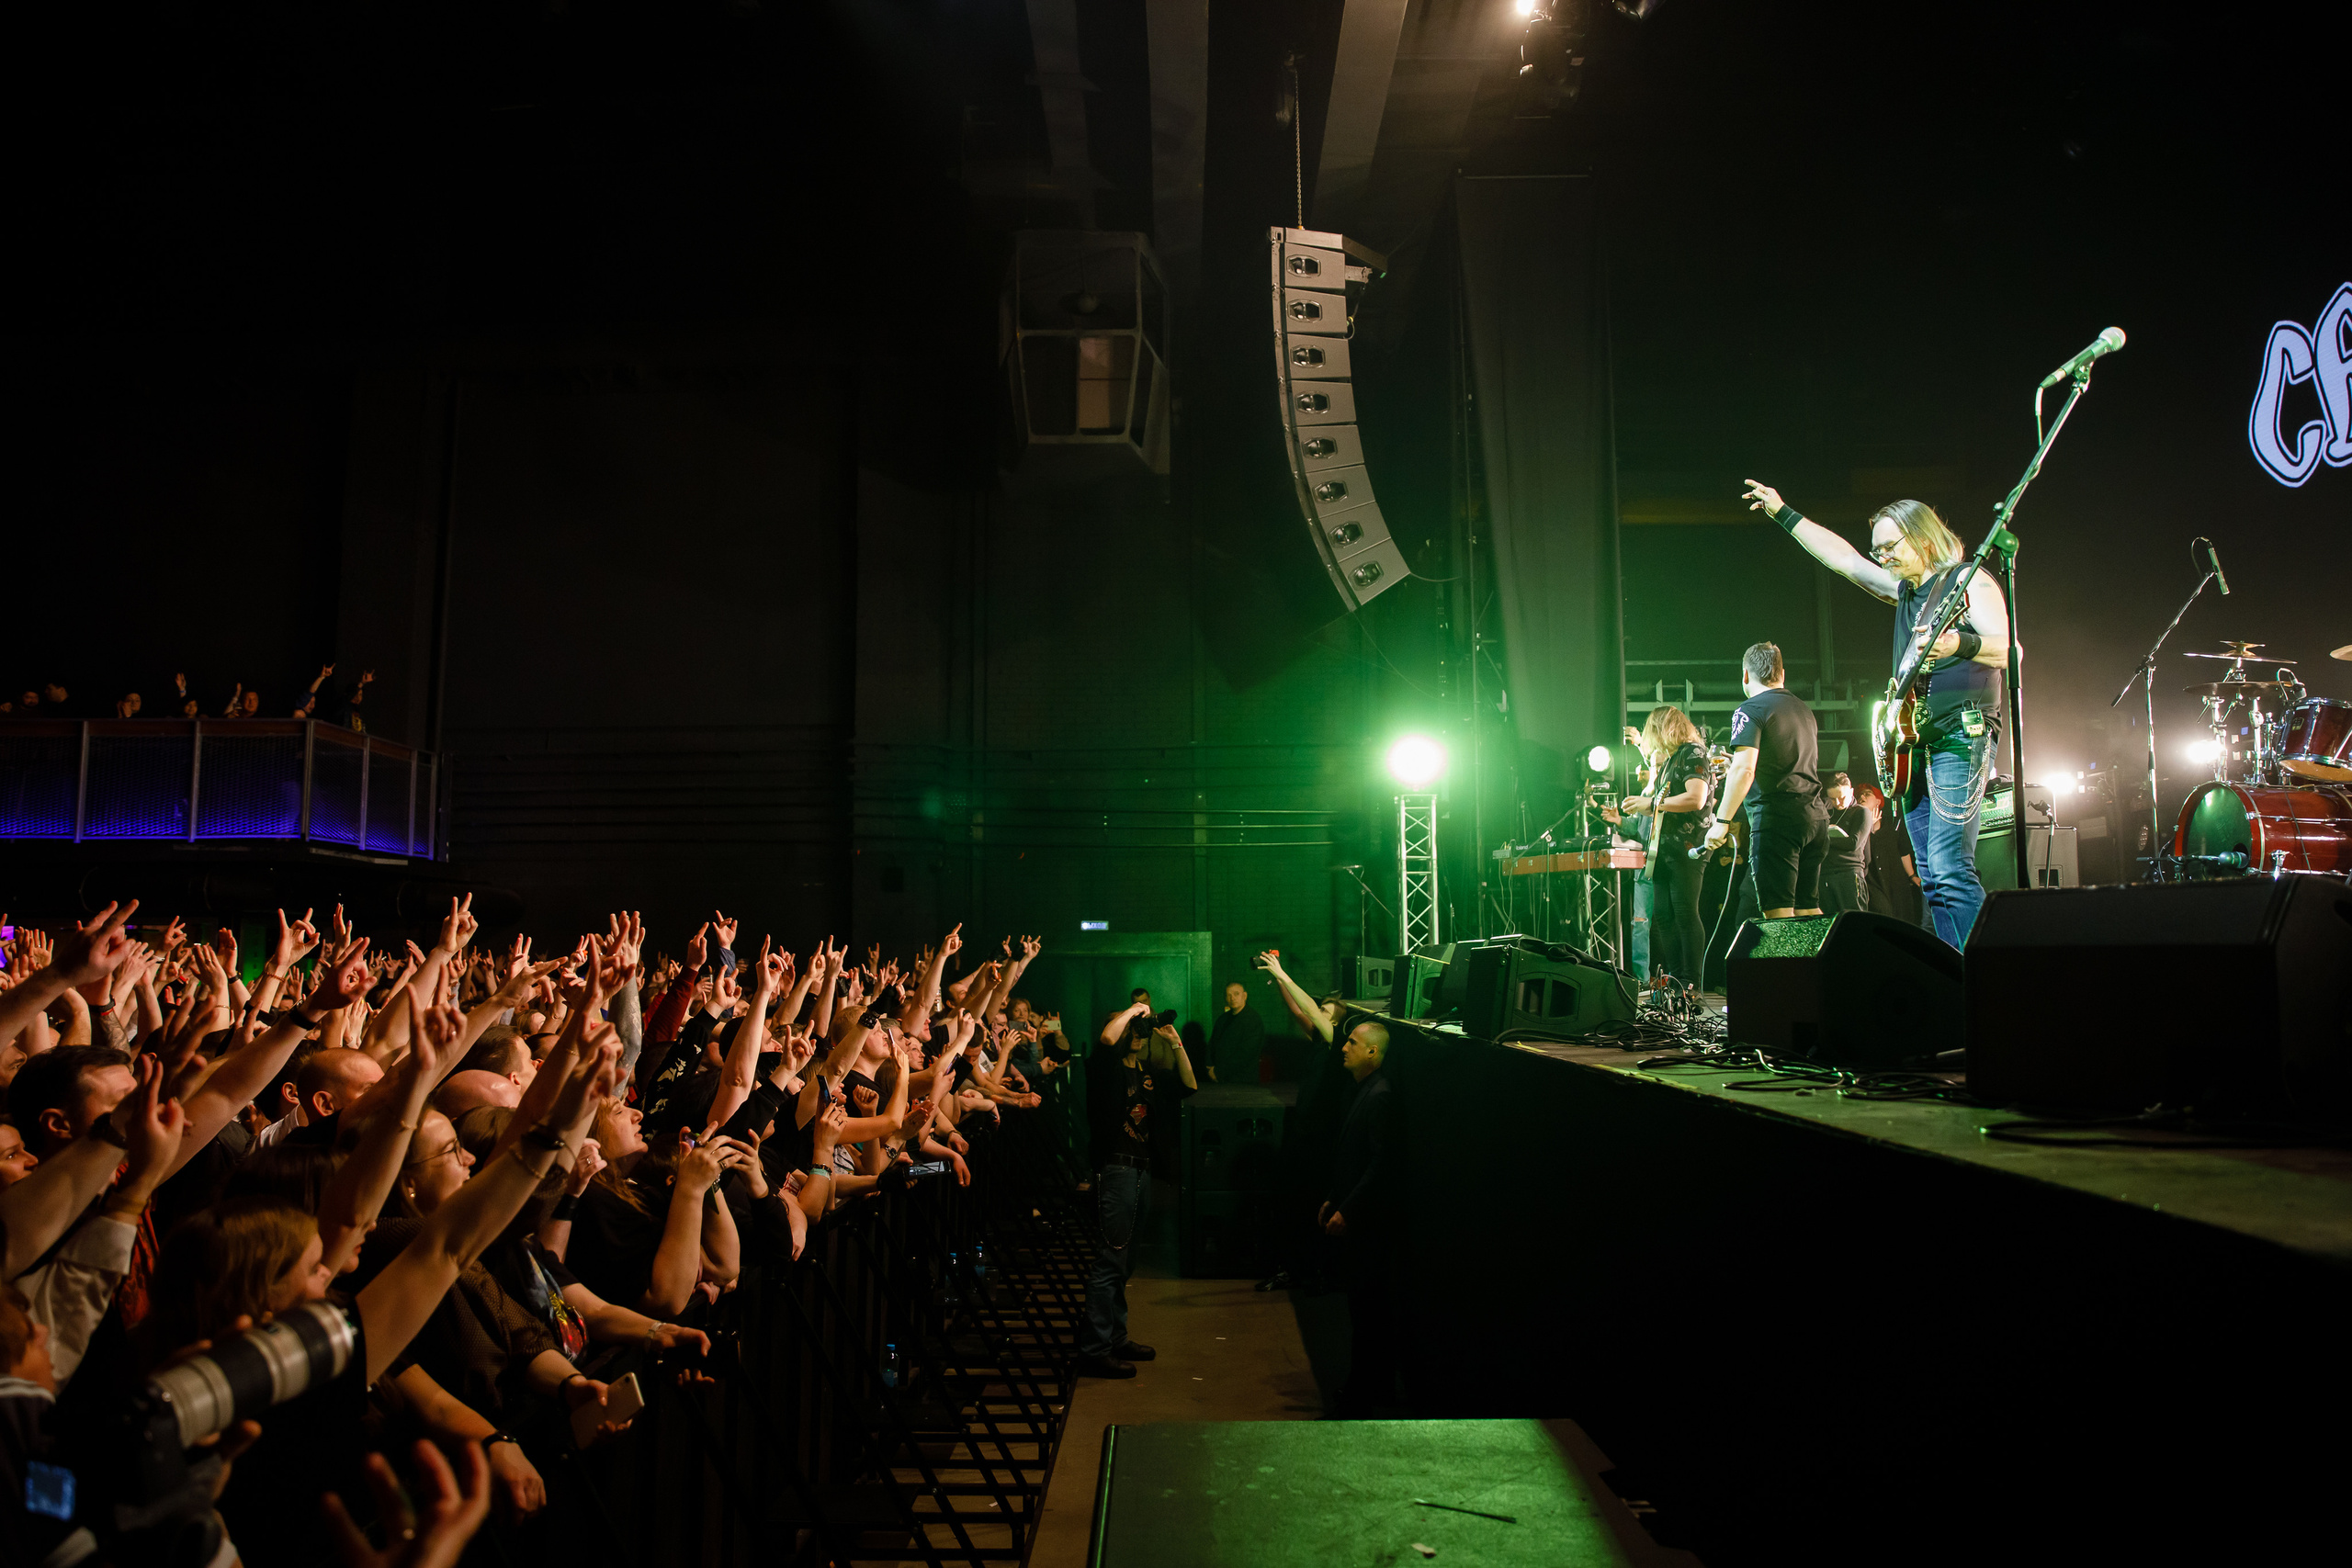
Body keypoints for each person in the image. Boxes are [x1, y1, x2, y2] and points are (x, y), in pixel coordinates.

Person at [1743, 482, 2013, 947]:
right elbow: (1844, 559)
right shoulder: (1907, 590)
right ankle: (1954, 985)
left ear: (1923, 537)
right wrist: (1783, 511)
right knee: (1930, 877)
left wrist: (1957, 644)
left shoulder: (1968, 580)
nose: (1882, 556)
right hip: (1912, 746)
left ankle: (1986, 982)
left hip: (1958, 736)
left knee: (1950, 868)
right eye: (1879, 549)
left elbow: (2010, 651)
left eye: (1891, 546)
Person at [1078, 999, 1195, 1378]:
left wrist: (1174, 1040)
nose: (1135, 1036)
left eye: (1138, 1031)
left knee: (1126, 1262)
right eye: (1130, 1030)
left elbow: (1190, 1085)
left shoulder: (1148, 1072)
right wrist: (1130, 1012)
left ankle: (1116, 1337)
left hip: (1142, 1172)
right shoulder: (1104, 1069)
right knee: (1110, 1260)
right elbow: (1106, 1040)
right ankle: (1095, 1349)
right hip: (1117, 1171)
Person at [1705, 642, 1829, 919]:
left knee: (1779, 918)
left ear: (1745, 676)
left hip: (1778, 823)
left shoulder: (1750, 709)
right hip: (1815, 818)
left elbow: (1744, 771)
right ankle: (1822, 964)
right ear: (1782, 674)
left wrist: (1722, 823)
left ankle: (1787, 966)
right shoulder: (1803, 709)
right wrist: (1737, 764)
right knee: (1809, 909)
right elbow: (1787, 761)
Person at [1603, 705, 1714, 989]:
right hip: (1662, 852)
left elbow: (1696, 798)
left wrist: (1649, 805)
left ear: (1663, 729)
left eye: (1652, 731)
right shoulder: (1671, 761)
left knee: (1685, 913)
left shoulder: (1693, 753)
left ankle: (1692, 984)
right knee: (1664, 917)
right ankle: (1677, 982)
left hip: (1687, 849)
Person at [1320, 1017, 1398, 1417]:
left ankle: (1363, 1397)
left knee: (1367, 1317)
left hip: (1367, 1228)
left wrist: (1348, 1209)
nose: (1344, 1047)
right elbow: (1351, 1157)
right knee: (1358, 1312)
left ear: (1372, 1051)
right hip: (1352, 1214)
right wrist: (1335, 1197)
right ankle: (1359, 1392)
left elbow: (1380, 1165)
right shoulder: (1362, 1091)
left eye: (1352, 1042)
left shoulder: (1379, 1095)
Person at [1860, 784, 1928, 926]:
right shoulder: (1858, 827)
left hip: (1895, 880)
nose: (1862, 797)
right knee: (1884, 914)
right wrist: (1867, 827)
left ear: (1878, 801)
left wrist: (1911, 875)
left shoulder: (1893, 824)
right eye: (1860, 795)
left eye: (1867, 794)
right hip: (1873, 882)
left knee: (1903, 916)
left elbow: (1904, 851)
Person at [1821, 772, 1872, 916]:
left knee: (1854, 920)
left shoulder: (1861, 812)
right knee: (1829, 923)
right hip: (1826, 873)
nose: (1837, 803)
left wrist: (1825, 839)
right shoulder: (1826, 813)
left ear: (1851, 792)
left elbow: (1853, 843)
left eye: (1841, 798)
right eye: (1832, 799)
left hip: (1849, 872)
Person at [1207, 980, 1265, 1084]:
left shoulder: (1253, 1020)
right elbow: (1212, 1044)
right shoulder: (1223, 1019)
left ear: (1245, 996)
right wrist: (1210, 1065)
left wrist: (1218, 1071)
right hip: (1220, 1078)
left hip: (1242, 1080)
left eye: (1236, 994)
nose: (1232, 998)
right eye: (1229, 995)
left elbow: (1245, 1054)